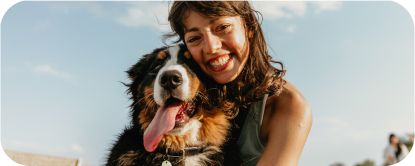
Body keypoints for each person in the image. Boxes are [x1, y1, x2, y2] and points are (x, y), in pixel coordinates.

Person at [164, 0, 312, 165]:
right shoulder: (187, 99)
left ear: (248, 26)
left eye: (222, 27)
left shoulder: (288, 105)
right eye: (194, 38)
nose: (211, 47)